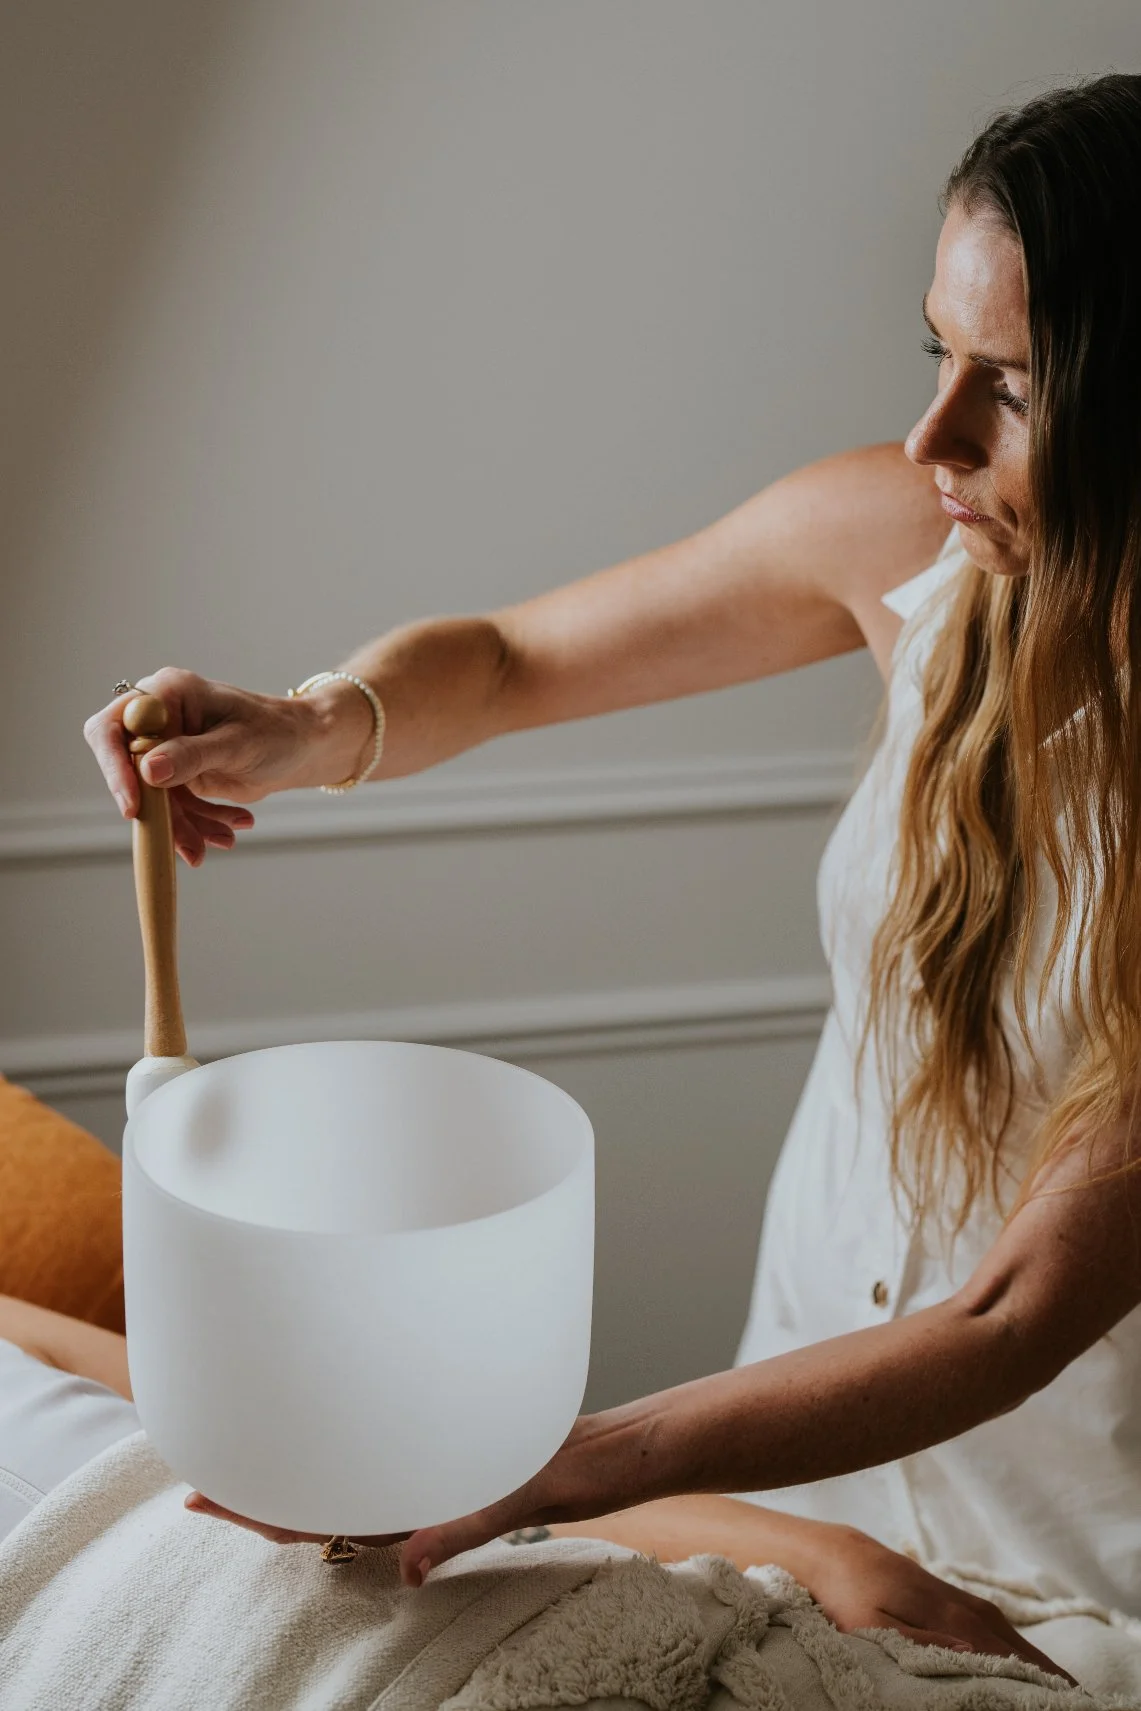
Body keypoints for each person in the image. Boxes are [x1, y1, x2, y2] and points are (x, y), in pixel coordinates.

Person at [84, 73, 1141, 1665]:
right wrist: (304, 725)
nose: (934, 433)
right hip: (789, 1506)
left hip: (1072, 1592)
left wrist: (556, 1467)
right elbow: (509, 661)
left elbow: (1014, 1316)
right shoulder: (902, 541)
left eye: (1013, 383)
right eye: (940, 352)